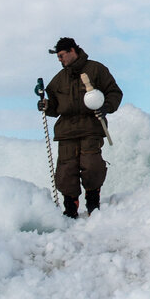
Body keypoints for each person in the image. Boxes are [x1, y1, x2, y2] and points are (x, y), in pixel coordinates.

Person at [38, 37, 122, 218]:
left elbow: (114, 92)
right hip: (66, 131)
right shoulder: (58, 80)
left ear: (72, 51)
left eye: (61, 56)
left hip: (91, 127)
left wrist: (105, 107)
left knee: (91, 166)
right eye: (58, 57)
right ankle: (70, 209)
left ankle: (93, 204)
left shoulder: (96, 69)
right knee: (66, 171)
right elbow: (53, 106)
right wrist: (45, 105)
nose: (60, 60)